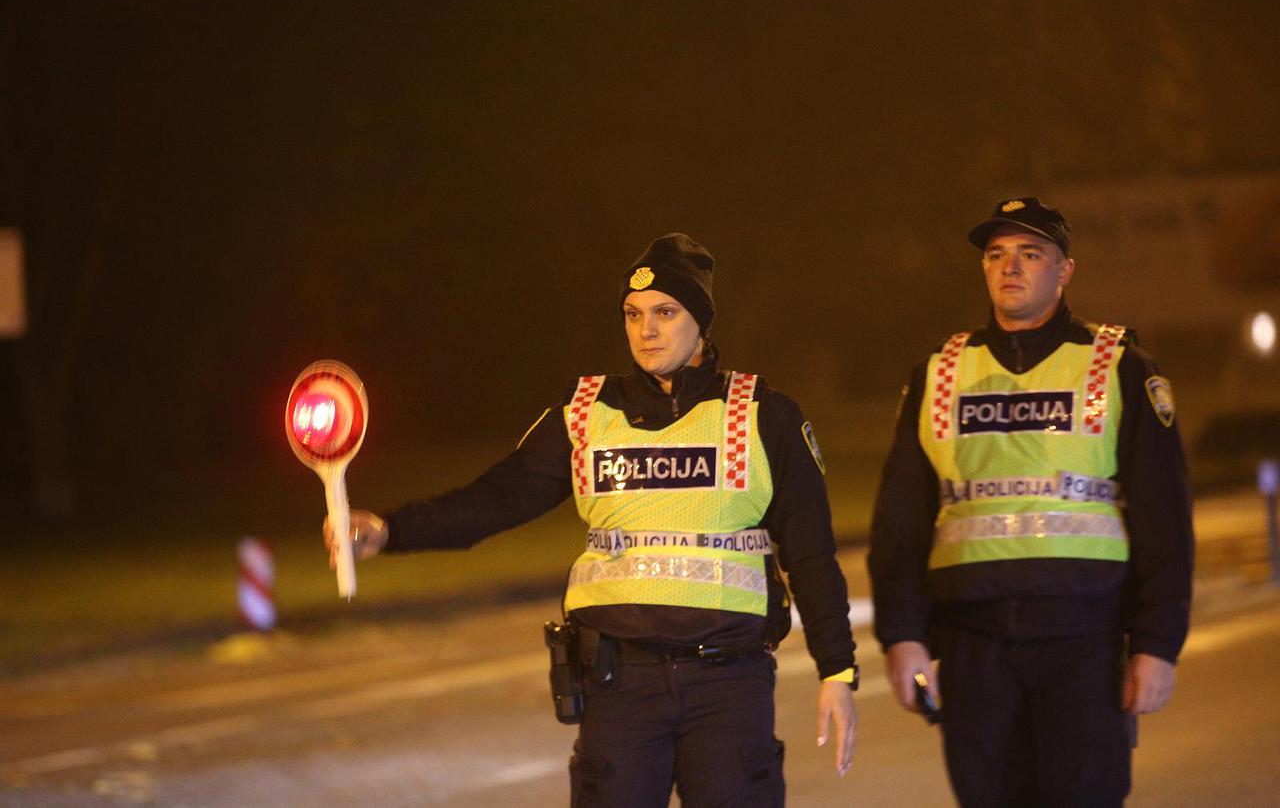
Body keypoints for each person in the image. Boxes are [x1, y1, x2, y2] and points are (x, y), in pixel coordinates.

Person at [325, 233, 858, 806]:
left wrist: (838, 671)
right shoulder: (586, 416)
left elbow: (810, 554)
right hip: (619, 686)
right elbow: (496, 500)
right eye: (632, 315)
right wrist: (390, 531)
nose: (645, 330)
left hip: (727, 685)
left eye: (665, 313)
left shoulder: (764, 416)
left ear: (701, 322)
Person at [867, 197, 1194, 807]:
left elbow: (1164, 521)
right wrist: (903, 636)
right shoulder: (939, 373)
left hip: (1084, 640)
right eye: (996, 255)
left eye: (1030, 254)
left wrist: (1156, 645)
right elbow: (900, 523)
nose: (1009, 267)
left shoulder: (1117, 368)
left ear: (1065, 269)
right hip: (973, 642)